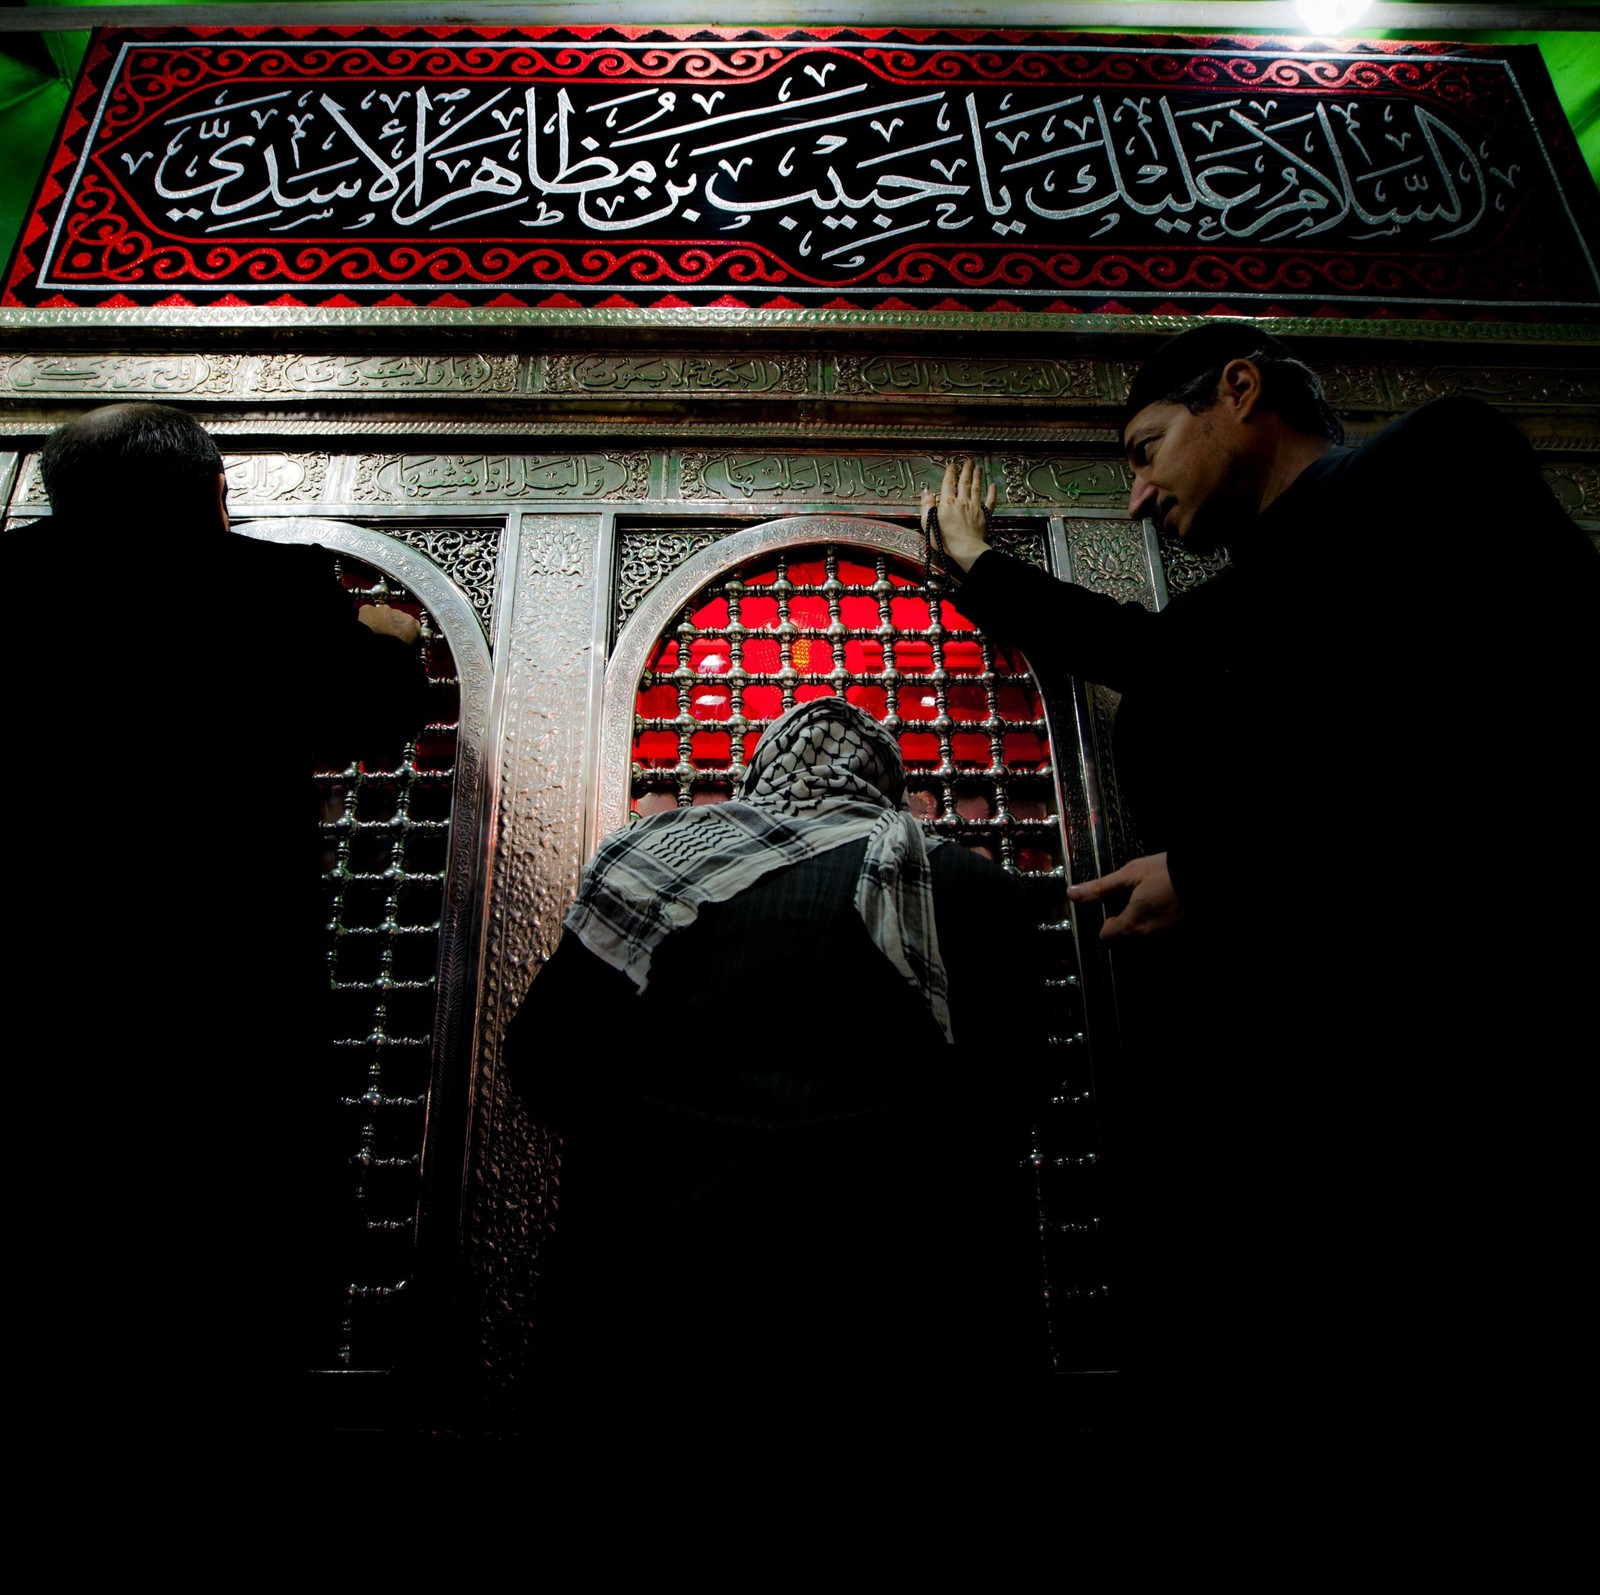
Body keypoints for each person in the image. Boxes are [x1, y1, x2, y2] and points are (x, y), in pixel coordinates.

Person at [920, 322, 1599, 1455]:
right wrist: (978, 563)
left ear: (1238, 391)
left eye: (1145, 451)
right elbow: (1138, 647)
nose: (1135, 498)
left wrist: (1215, 873)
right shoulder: (1255, 593)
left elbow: (1508, 739)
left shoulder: (1433, 466)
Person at [4, 402, 427, 1431]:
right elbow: (381, 712)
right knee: (224, 1270)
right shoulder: (263, 585)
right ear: (210, 491)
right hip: (224, 990)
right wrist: (395, 631)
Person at [503, 695, 1056, 1387]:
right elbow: (1014, 1097)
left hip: (664, 1290)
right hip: (901, 1299)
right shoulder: (974, 885)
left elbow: (544, 1055)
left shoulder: (661, 856)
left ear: (764, 775)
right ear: (883, 785)